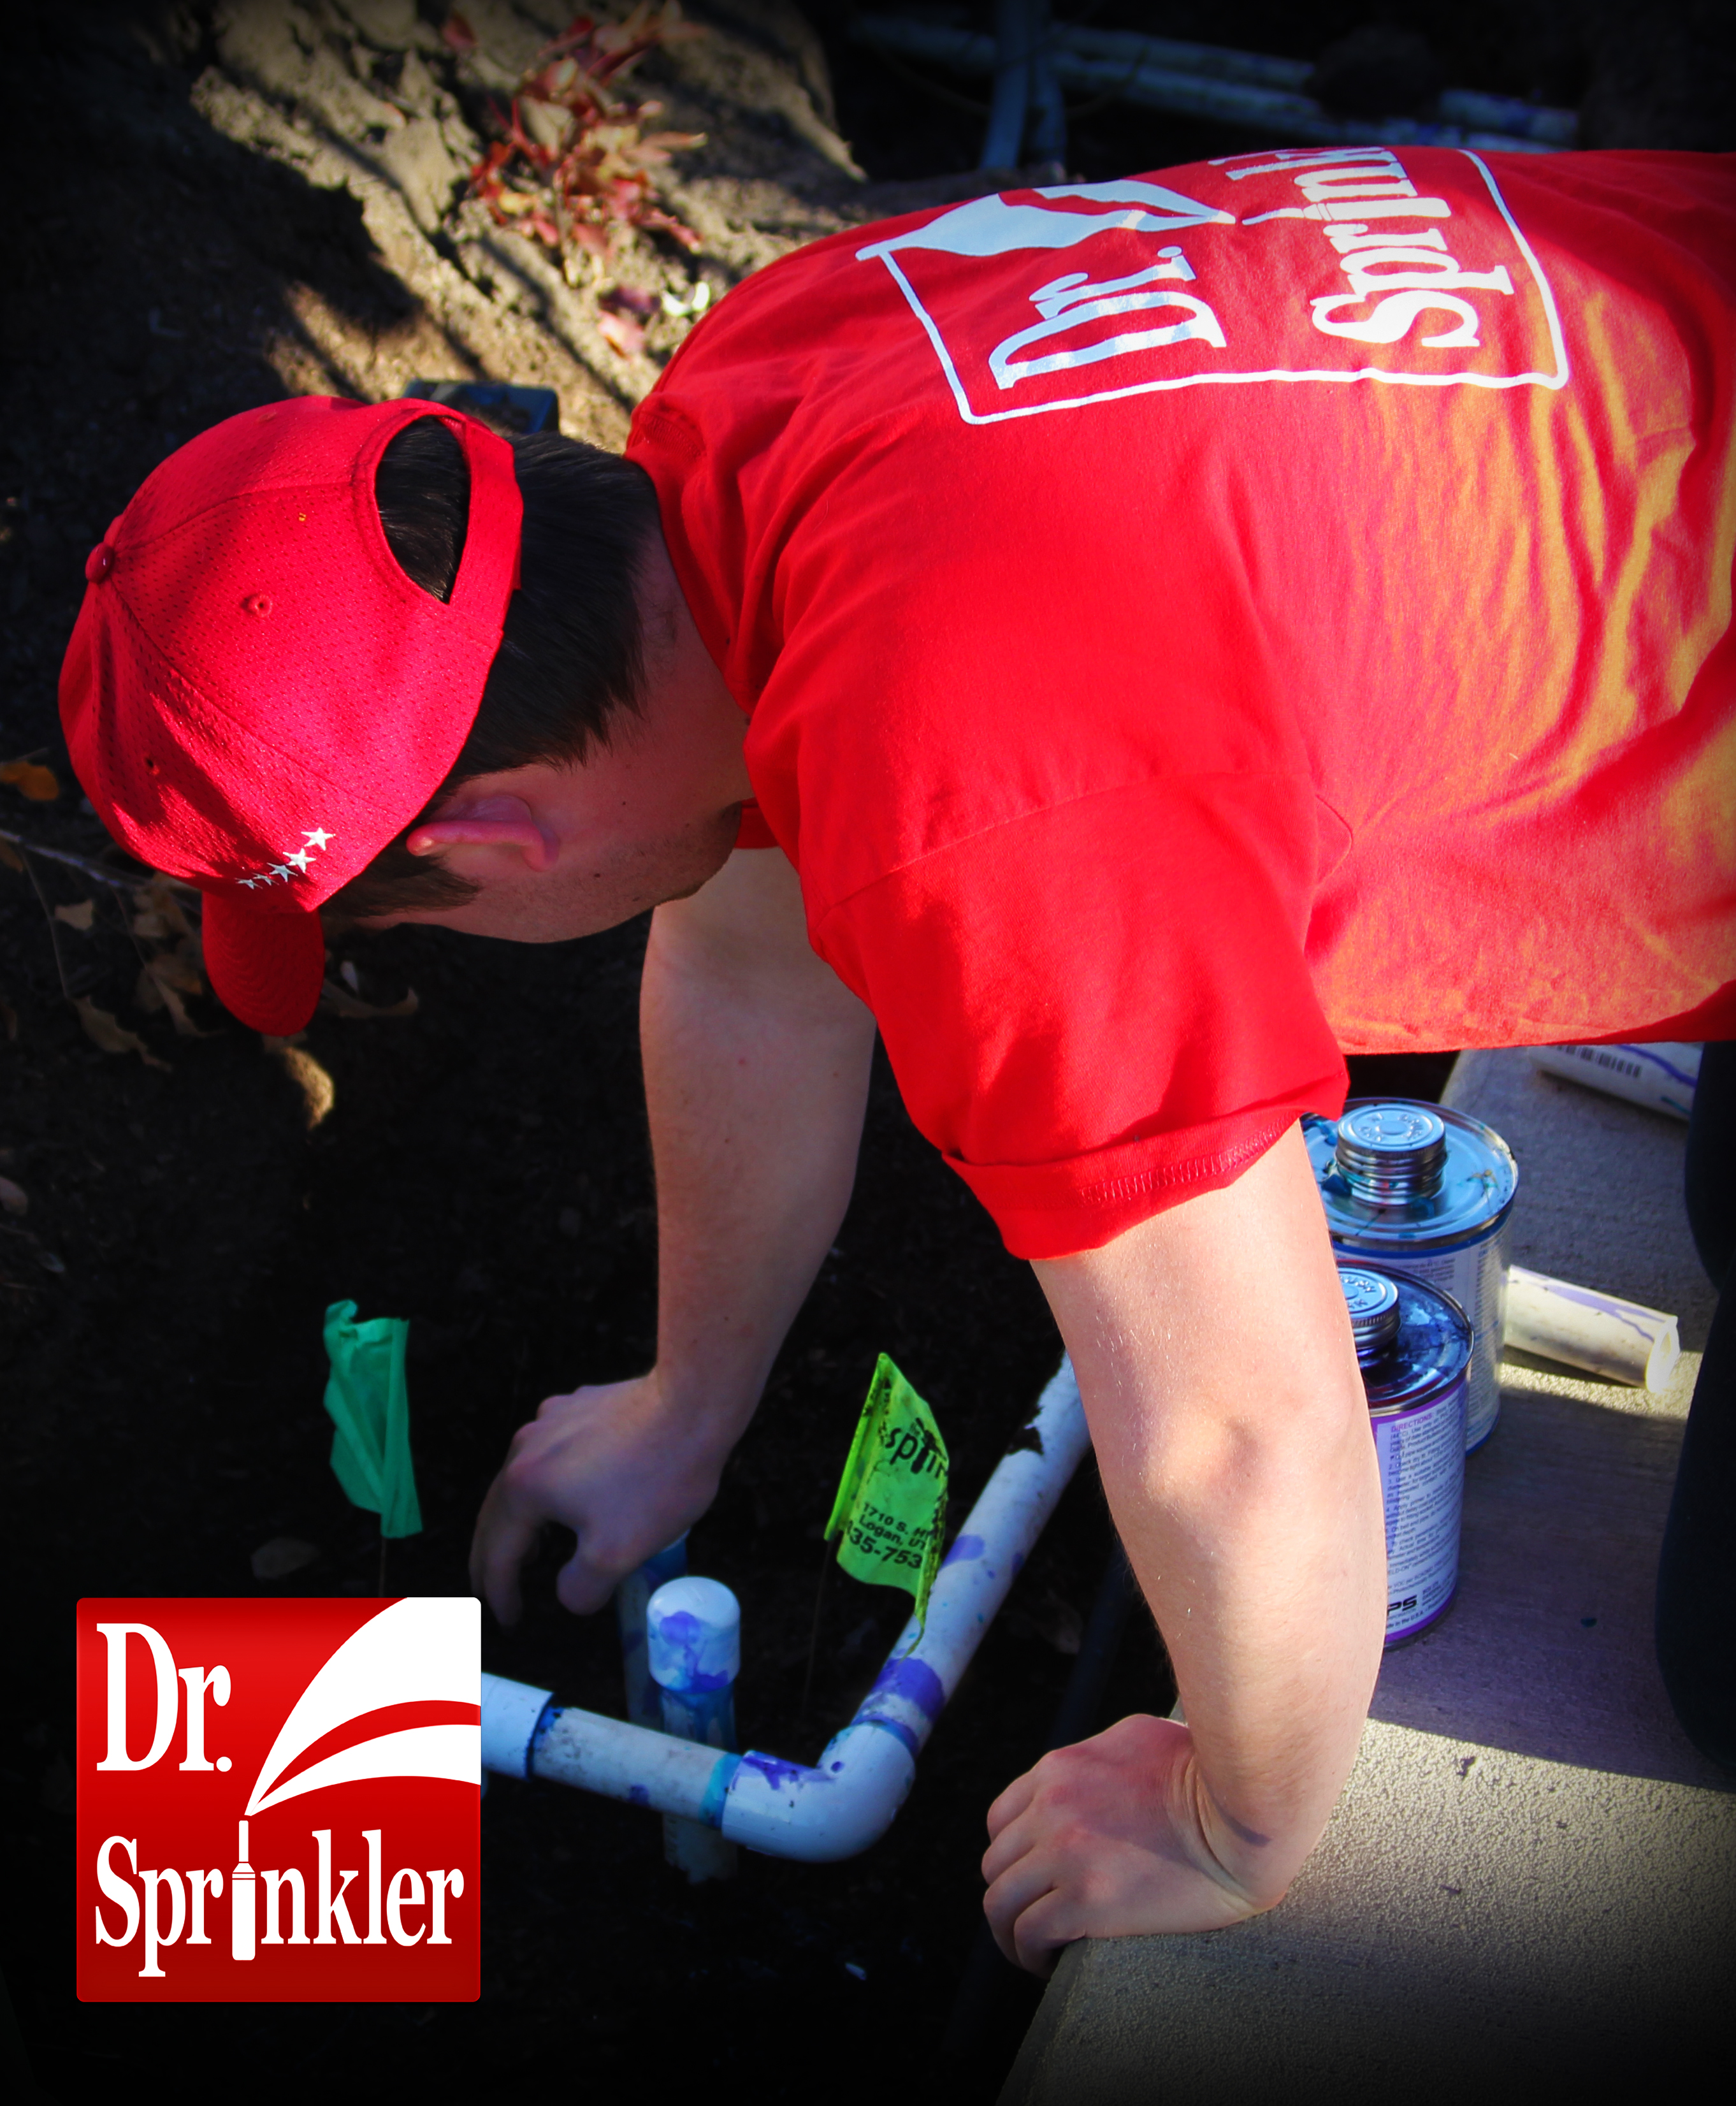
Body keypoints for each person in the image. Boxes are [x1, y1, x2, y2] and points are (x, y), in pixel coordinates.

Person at [61, 144, 1734, 1972]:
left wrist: (1234, 1820)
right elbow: (748, 963)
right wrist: (683, 1406)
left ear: (496, 841)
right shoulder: (758, 399)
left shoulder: (988, 805)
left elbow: (1246, 1431)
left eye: (417, 922)